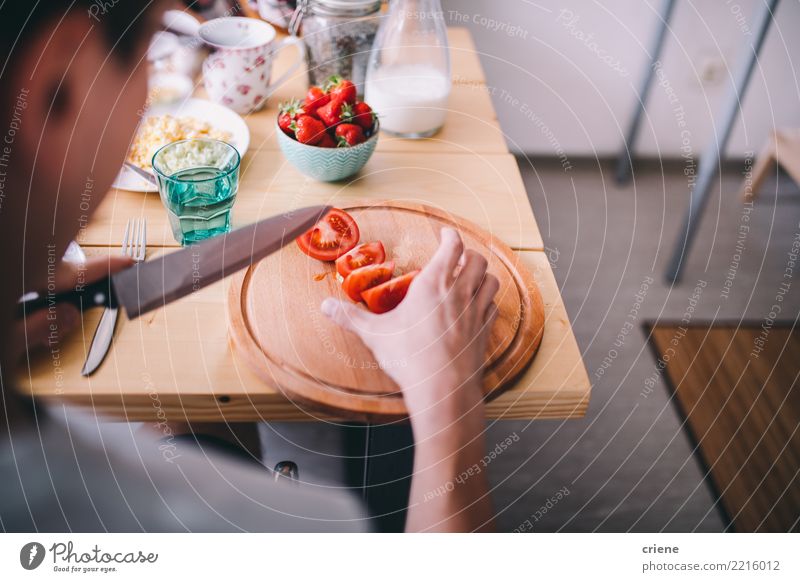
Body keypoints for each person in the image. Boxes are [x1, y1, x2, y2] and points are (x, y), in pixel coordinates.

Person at [0, 1, 498, 532]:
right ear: (55, 89)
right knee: (386, 443)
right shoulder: (299, 531)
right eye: (152, 54)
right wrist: (448, 395)